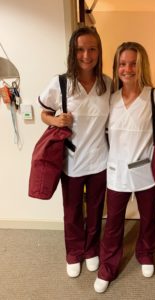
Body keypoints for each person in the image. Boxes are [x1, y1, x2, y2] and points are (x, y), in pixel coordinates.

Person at [93, 42, 155, 293]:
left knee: (148, 219)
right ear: (116, 67)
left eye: (133, 63)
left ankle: (146, 253)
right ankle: (108, 268)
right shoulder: (110, 100)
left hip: (147, 172)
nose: (127, 69)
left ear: (141, 65)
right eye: (122, 64)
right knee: (113, 223)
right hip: (116, 174)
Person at [38, 26, 111, 278]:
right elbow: (44, 113)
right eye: (80, 49)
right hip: (71, 161)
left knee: (95, 210)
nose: (86, 55)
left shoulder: (107, 84)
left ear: (99, 51)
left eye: (92, 49)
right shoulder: (61, 83)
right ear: (73, 51)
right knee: (71, 212)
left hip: (100, 160)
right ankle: (73, 253)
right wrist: (55, 121)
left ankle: (91, 250)